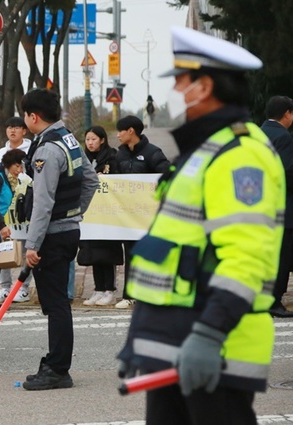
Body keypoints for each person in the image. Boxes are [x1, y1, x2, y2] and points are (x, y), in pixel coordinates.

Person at [117, 26, 284, 425]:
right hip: (178, 343)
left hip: (210, 348)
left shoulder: (240, 155)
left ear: (204, 86)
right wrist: (143, 341)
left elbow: (246, 259)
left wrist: (209, 334)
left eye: (182, 81)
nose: (176, 91)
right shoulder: (205, 150)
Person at [20, 88, 99, 390]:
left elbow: (42, 203)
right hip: (69, 231)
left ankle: (57, 369)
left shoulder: (46, 150)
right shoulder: (69, 139)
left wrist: (32, 244)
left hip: (51, 236)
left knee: (55, 305)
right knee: (58, 303)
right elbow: (91, 181)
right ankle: (55, 362)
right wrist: (75, 213)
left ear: (33, 116)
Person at [114, 115, 171, 309]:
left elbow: (167, 176)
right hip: (128, 215)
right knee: (130, 253)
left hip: (150, 215)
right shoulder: (119, 155)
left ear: (131, 131)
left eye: (120, 131)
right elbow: (113, 180)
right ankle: (130, 294)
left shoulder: (153, 153)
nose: (118, 135)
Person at [77, 126, 123, 307]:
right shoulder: (83, 159)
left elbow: (118, 180)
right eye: (87, 139)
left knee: (107, 251)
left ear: (102, 140)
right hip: (90, 213)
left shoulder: (112, 157)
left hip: (108, 212)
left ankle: (109, 290)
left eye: (94, 139)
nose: (90, 143)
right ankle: (98, 288)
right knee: (92, 251)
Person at [0, 149, 33, 308]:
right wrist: (1, 225)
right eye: (17, 166)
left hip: (2, 222)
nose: (19, 170)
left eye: (22, 167)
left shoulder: (13, 179)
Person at [260, 95, 293, 318]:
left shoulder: (256, 134)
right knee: (282, 257)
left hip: (257, 206)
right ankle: (274, 300)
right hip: (282, 208)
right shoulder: (283, 137)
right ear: (287, 113)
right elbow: (287, 173)